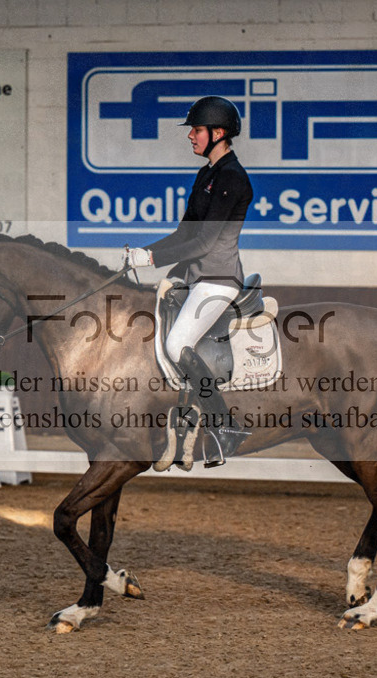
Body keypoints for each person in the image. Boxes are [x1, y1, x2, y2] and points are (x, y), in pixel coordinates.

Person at [124, 96, 254, 466]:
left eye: (196, 130)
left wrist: (151, 258)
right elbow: (183, 233)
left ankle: (227, 426)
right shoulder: (207, 175)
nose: (191, 137)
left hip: (218, 280)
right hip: (195, 279)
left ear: (219, 133)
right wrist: (142, 254)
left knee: (178, 341)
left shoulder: (232, 178)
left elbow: (204, 242)